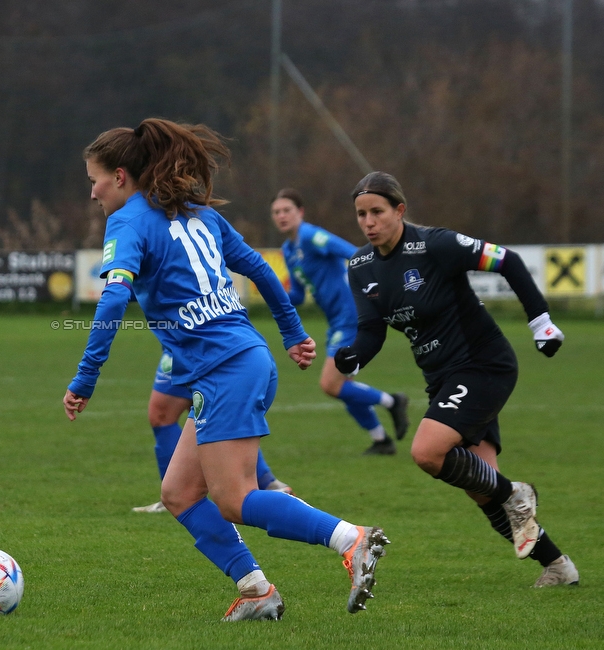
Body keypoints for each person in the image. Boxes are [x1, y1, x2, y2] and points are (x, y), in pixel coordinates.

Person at [63, 118, 390, 620]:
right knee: (177, 493)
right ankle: (258, 591)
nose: (92, 192)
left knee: (235, 499)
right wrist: (292, 333)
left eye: (95, 180)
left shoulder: (127, 221)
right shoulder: (197, 212)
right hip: (244, 360)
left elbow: (112, 301)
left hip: (224, 370)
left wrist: (85, 378)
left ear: (122, 177)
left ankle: (352, 539)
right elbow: (258, 267)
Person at [335, 171, 578, 588]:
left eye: (377, 212)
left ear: (399, 210)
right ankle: (557, 565)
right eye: (361, 214)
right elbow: (371, 330)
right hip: (442, 379)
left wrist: (541, 323)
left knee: (427, 452)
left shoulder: (435, 244)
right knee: (483, 490)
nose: (368, 222)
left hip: (483, 364)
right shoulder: (360, 267)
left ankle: (518, 496)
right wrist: (353, 357)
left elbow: (507, 261)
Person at [272, 188, 408, 455]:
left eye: (286, 210)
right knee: (344, 385)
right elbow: (298, 296)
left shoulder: (311, 236)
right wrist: (274, 293)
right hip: (336, 322)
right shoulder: (288, 250)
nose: (281, 216)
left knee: (330, 384)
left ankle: (392, 401)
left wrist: (372, 283)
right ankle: (381, 440)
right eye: (276, 212)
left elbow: (352, 252)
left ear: (300, 212)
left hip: (352, 317)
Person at [132, 345, 293, 514]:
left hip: (208, 343)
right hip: (185, 344)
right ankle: (267, 482)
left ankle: (177, 495)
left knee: (173, 413)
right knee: (184, 411)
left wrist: (293, 335)